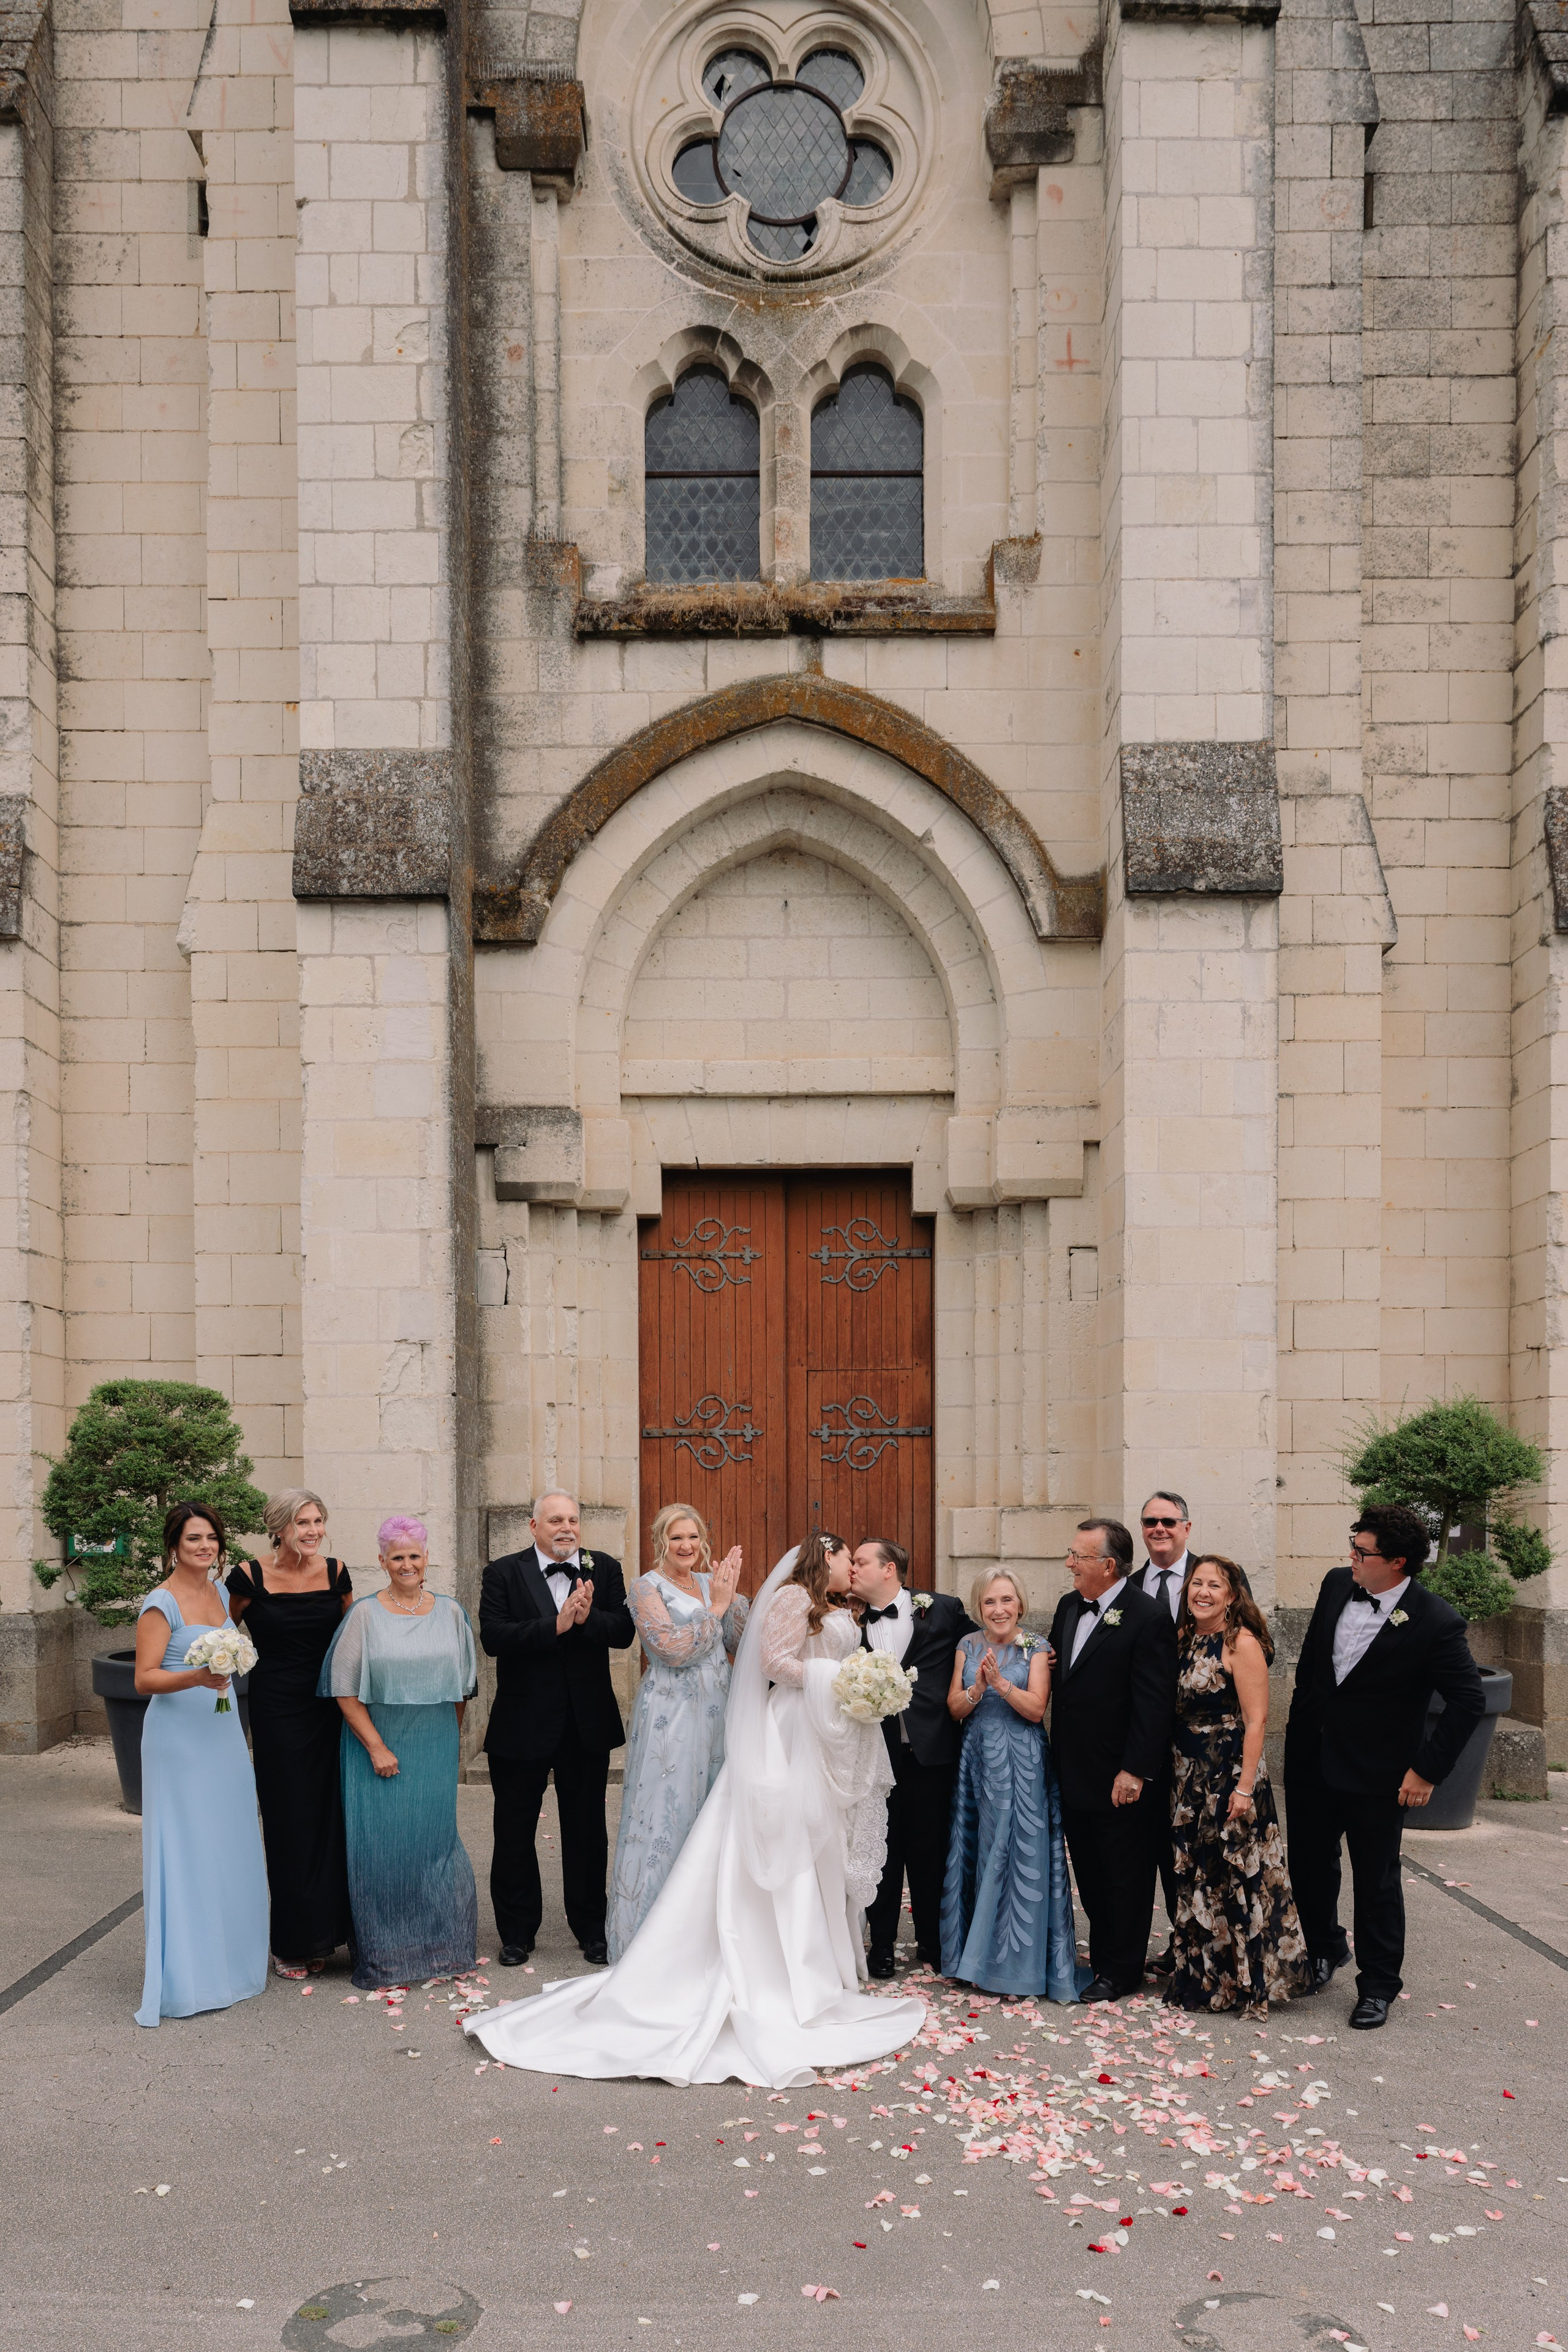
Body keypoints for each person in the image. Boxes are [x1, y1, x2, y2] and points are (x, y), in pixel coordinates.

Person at [464, 1535, 926, 2087]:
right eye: (849, 1558)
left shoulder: (837, 1607)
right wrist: (841, 1680)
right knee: (777, 1844)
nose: (854, 1568)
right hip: (778, 1732)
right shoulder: (785, 1601)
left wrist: (852, 1680)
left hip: (813, 1733)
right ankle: (769, 1970)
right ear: (827, 1558)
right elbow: (771, 1662)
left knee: (816, 1844)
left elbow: (744, 1640)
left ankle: (818, 1966)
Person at [1283, 1503, 1485, 2030]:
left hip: (1380, 1774)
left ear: (1396, 1562)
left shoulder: (1436, 1620)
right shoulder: (1335, 1585)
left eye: (1362, 1551)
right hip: (1312, 1760)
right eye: (1353, 1544)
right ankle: (1323, 1949)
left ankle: (1377, 1985)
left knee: (1375, 1880)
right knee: (1309, 1864)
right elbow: (1313, 1671)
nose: (1350, 1556)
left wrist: (1427, 1771)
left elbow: (1467, 1700)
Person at [319, 1516, 478, 1992]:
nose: (407, 1564)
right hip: (378, 1745)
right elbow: (344, 1691)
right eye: (397, 1556)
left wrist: (449, 1743)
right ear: (383, 1561)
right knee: (382, 1853)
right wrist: (376, 1746)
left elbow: (461, 1690)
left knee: (435, 1848)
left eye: (414, 1555)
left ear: (426, 1558)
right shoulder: (364, 1615)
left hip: (435, 1743)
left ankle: (443, 1949)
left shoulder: (451, 1612)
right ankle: (388, 1955)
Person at [480, 1491, 634, 1969]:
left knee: (588, 1830)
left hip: (585, 1723)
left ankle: (592, 1928)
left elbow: (625, 1631)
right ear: (534, 1526)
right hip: (522, 1722)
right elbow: (494, 1637)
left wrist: (587, 1621)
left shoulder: (602, 1567)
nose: (566, 1526)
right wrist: (556, 1625)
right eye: (555, 1520)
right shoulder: (503, 1572)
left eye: (572, 1519)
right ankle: (517, 1932)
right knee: (514, 1829)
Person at [133, 1501, 269, 2027]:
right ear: (174, 1546)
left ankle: (229, 1966)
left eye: (211, 1538)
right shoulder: (159, 1604)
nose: (205, 1547)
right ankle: (188, 1976)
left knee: (227, 1842)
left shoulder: (217, 1592)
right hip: (179, 1739)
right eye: (194, 1539)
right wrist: (196, 1677)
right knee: (187, 1848)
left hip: (222, 1731)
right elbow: (144, 1678)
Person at [1167, 1553, 1310, 2019]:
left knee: (1237, 1875)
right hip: (1189, 1776)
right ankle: (1208, 1976)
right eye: (1197, 1584)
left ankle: (1246, 1981)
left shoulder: (1239, 1642)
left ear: (1232, 1596)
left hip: (1230, 1774)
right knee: (1200, 1875)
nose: (1203, 1592)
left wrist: (1245, 1788)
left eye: (1214, 1586)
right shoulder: (1186, 1638)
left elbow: (1257, 1721)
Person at [607, 1503, 748, 1959]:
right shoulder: (646, 1587)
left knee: (714, 1809)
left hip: (718, 1709)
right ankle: (651, 1935)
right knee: (668, 1810)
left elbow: (736, 1645)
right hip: (672, 1712)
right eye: (676, 1539)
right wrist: (719, 1606)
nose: (686, 1546)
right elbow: (669, 1649)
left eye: (692, 1537)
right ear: (660, 1543)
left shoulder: (712, 1583)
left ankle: (710, 1929)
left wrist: (741, 1604)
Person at [1046, 1517, 1177, 2002]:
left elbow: (1154, 1702)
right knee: (1092, 1872)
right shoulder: (1067, 1607)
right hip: (1074, 1767)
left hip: (1121, 1773)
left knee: (1125, 1875)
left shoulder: (1147, 1616)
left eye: (1077, 1557)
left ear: (1106, 1564)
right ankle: (1103, 1958)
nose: (1069, 1564)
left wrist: (1136, 1769)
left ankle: (1123, 1970)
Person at [938, 1567, 1085, 2002]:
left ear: (1020, 1603)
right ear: (978, 1607)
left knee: (1016, 1853)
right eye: (989, 1602)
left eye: (1006, 1600)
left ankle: (1014, 1965)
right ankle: (975, 1959)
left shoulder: (1036, 1647)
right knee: (981, 1850)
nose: (998, 1609)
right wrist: (976, 1688)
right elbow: (953, 1708)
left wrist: (1000, 1684)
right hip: (977, 1760)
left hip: (1022, 1762)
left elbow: (1037, 1709)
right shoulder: (967, 1646)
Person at [226, 1488, 354, 1977]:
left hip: (330, 1706)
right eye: (303, 1523)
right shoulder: (249, 1576)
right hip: (278, 1709)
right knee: (289, 1818)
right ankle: (292, 1942)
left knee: (333, 1814)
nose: (314, 1532)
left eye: (319, 1521)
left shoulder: (337, 1572)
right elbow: (218, 1629)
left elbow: (353, 1637)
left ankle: (331, 1934)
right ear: (279, 1527)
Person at [852, 1536, 977, 1977]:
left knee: (931, 1852)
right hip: (875, 1755)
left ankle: (933, 1943)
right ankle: (881, 1946)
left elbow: (983, 1644)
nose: (852, 1568)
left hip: (931, 1751)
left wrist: (1034, 1651)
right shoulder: (848, 1621)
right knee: (881, 1852)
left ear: (889, 1569)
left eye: (861, 1561)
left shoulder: (942, 1608)